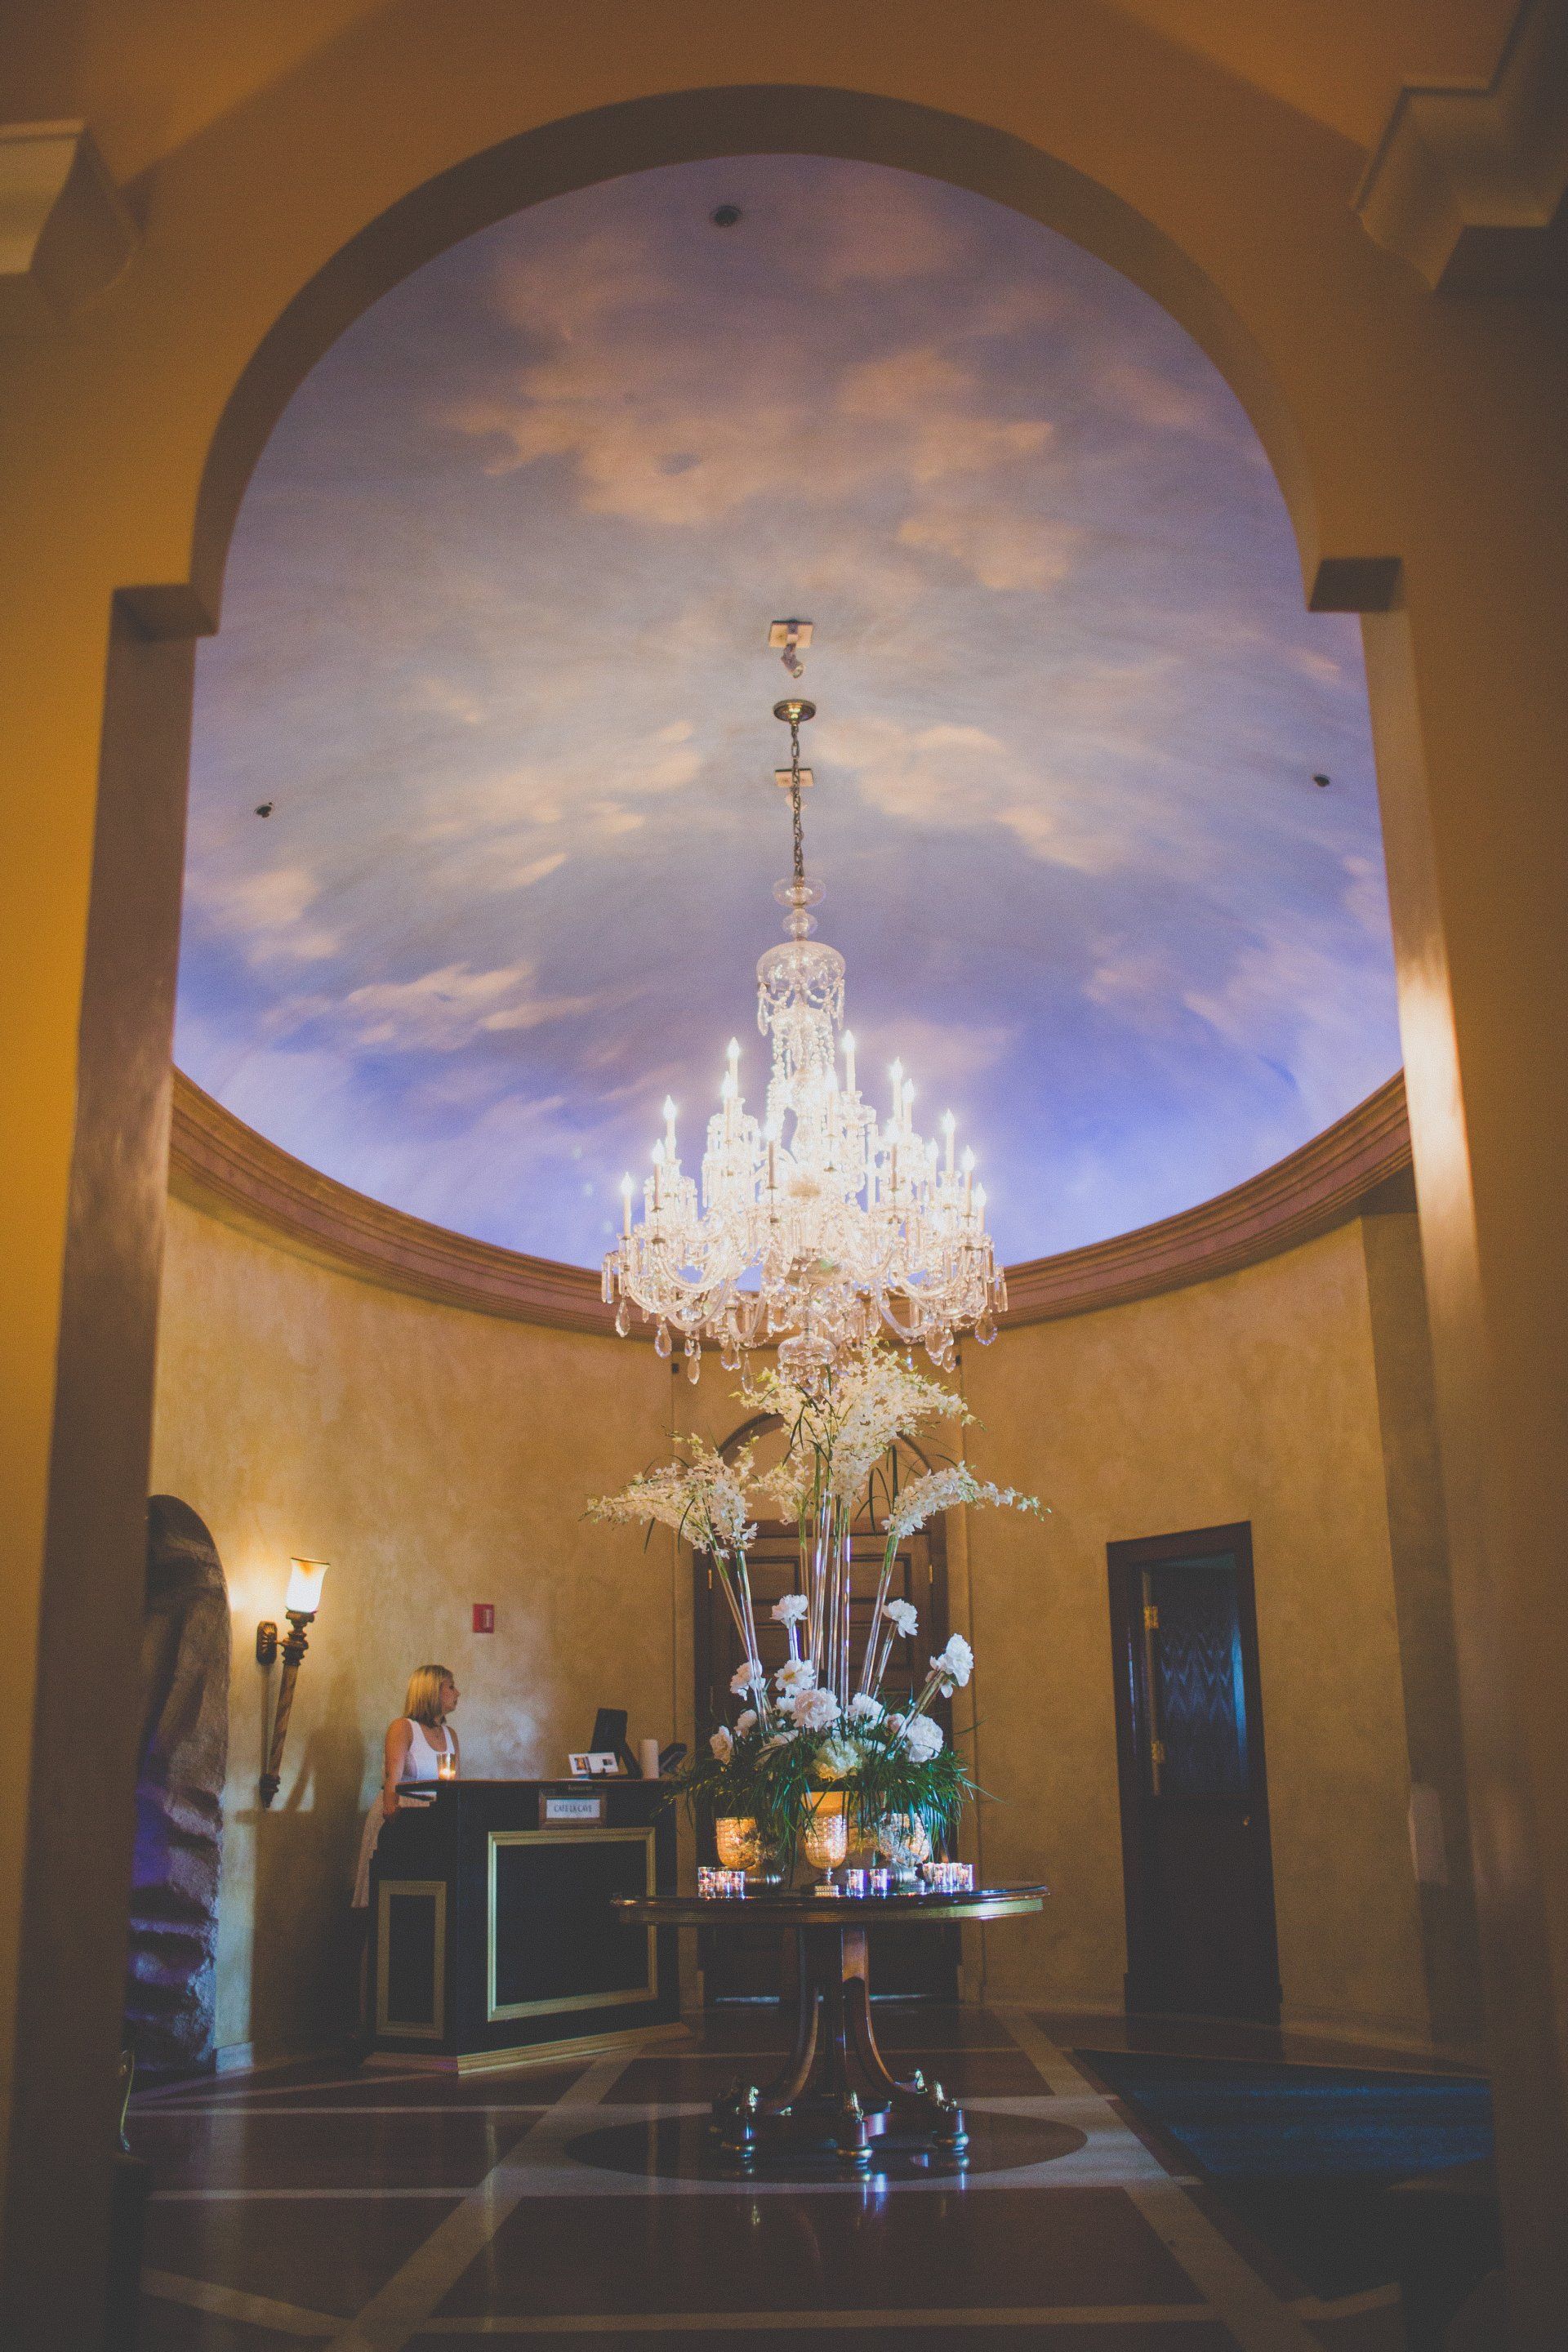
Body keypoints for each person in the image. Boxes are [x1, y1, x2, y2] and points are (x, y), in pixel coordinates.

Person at [351, 1665, 461, 1912]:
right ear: (432, 1691)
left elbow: (455, 1785)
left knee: (430, 1902)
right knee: (392, 1903)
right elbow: (394, 1778)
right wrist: (393, 1811)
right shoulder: (403, 1728)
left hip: (435, 1821)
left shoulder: (450, 1734)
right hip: (403, 1816)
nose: (458, 1692)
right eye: (451, 1686)